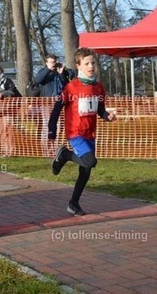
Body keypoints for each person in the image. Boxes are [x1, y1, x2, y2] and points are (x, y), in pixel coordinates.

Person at [48, 48, 117, 216]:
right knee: (90, 161)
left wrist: (107, 116)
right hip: (75, 132)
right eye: (87, 63)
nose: (91, 66)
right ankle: (64, 155)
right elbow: (57, 108)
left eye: (93, 63)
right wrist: (52, 128)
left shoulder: (98, 87)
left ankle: (73, 204)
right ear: (78, 66)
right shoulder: (71, 87)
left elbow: (100, 109)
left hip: (90, 133)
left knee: (85, 171)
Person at [35, 54, 75, 153]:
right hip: (47, 102)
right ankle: (46, 149)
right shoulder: (43, 71)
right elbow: (38, 80)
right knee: (47, 125)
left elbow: (68, 80)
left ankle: (55, 148)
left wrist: (62, 73)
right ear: (47, 63)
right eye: (51, 62)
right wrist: (48, 69)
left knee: (59, 125)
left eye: (54, 62)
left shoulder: (59, 71)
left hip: (58, 102)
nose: (53, 64)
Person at [0, 64, 20, 156]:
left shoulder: (7, 81)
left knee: (8, 129)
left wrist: (2, 93)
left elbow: (13, 92)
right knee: (1, 130)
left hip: (7, 109)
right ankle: (4, 150)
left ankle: (11, 150)